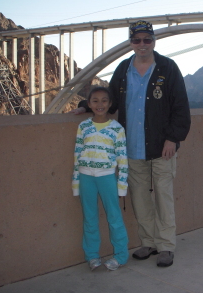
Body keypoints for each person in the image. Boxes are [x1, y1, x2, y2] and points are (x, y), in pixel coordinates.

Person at [72, 20, 191, 267]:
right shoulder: (124, 69)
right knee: (139, 198)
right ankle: (148, 242)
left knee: (163, 196)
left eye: (147, 39)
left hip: (162, 147)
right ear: (131, 43)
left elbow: (180, 107)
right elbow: (110, 101)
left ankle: (166, 245)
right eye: (137, 40)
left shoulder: (167, 68)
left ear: (154, 40)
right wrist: (87, 105)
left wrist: (173, 137)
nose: (142, 44)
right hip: (132, 149)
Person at [72, 86, 129, 271]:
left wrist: (122, 185)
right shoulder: (83, 127)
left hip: (107, 178)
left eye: (104, 100)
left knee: (114, 217)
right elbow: (77, 154)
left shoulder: (116, 128)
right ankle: (92, 255)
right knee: (89, 218)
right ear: (89, 104)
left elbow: (122, 158)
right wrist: (76, 183)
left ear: (110, 103)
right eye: (95, 101)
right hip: (86, 177)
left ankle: (120, 255)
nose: (100, 104)